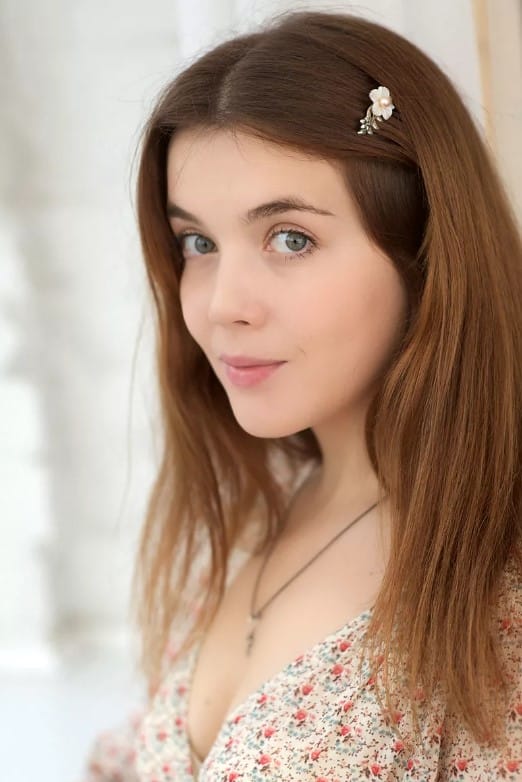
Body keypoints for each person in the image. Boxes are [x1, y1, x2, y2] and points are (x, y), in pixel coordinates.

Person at [81, 9, 522, 781]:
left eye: (291, 238)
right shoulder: (247, 511)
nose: (223, 304)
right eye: (198, 243)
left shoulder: (490, 584)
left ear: (424, 253)